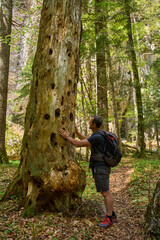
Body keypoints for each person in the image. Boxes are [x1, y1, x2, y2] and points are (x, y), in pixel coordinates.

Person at [59, 115, 117, 229]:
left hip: (101, 167)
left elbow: (78, 144)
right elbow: (86, 140)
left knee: (106, 193)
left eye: (90, 122)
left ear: (94, 125)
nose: (88, 123)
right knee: (106, 192)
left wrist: (67, 137)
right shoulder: (99, 134)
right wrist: (77, 132)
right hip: (101, 166)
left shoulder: (97, 136)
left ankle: (109, 218)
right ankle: (112, 215)